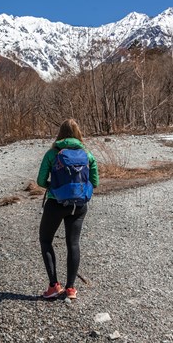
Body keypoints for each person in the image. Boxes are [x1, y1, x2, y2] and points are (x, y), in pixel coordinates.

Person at [36, 119, 99, 299]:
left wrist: (54, 187)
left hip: (56, 203)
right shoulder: (87, 153)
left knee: (46, 240)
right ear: (78, 133)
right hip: (79, 205)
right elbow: (95, 182)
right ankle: (71, 288)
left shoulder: (52, 153)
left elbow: (40, 181)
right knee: (73, 243)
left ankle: (54, 286)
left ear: (60, 134)